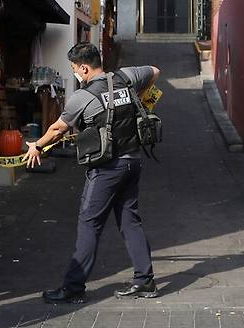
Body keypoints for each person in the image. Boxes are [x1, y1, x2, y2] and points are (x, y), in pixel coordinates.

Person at [23, 42, 161, 303]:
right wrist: (137, 98)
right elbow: (154, 70)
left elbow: (57, 129)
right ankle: (145, 281)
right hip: (133, 161)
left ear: (84, 67)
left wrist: (36, 146)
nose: (75, 72)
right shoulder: (126, 77)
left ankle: (73, 288)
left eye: (75, 68)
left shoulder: (82, 97)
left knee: (89, 224)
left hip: (107, 168)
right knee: (130, 221)